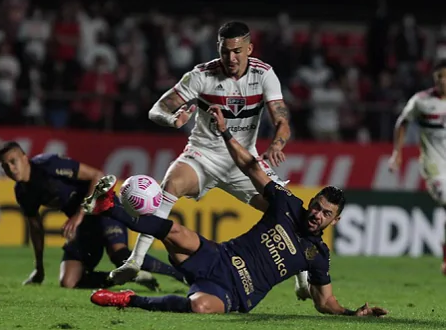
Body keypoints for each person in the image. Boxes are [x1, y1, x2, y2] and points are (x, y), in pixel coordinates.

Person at [87, 105, 388, 316]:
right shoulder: (287, 203)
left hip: (239, 292)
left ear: (335, 221)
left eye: (325, 214)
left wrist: (351, 314)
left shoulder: (318, 256)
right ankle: (109, 206)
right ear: (311, 203)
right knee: (175, 230)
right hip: (218, 256)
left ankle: (130, 300)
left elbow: (325, 302)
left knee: (200, 308)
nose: (317, 215)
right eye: (317, 207)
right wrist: (226, 134)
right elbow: (250, 166)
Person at [110, 20, 311, 297]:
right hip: (203, 155)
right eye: (225, 51)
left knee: (288, 210)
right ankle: (135, 261)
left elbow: (282, 119)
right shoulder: (201, 76)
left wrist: (277, 143)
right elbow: (156, 109)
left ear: (249, 49)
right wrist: (171, 119)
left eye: (237, 51)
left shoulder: (264, 74)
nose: (231, 58)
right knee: (170, 184)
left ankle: (302, 280)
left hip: (242, 160)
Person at [0, 141, 184, 290]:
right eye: (5, 166)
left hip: (104, 210)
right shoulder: (22, 192)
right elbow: (35, 229)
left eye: (13, 161)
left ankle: (179, 273)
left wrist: (79, 214)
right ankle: (128, 277)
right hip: (83, 225)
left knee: (120, 256)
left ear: (25, 157)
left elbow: (97, 176)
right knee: (69, 281)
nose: (11, 169)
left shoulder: (49, 164)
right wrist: (39, 268)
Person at [388, 60, 446, 274]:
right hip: (435, 168)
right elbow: (402, 122)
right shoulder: (421, 101)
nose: (442, 81)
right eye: (439, 76)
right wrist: (397, 153)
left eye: (445, 76)